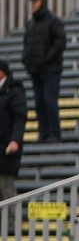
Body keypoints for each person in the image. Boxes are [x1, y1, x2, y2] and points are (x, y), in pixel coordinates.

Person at [21, 0, 66, 143]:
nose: (33, 4)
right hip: (36, 70)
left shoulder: (53, 21)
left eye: (36, 1)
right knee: (39, 102)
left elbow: (60, 43)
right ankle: (43, 133)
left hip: (51, 70)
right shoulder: (30, 24)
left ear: (43, 2)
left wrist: (46, 59)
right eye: (32, 1)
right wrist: (26, 59)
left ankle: (54, 133)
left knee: (49, 100)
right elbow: (27, 44)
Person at [0, 58, 27, 200]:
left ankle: (10, 222)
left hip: (5, 151)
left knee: (6, 192)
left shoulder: (15, 91)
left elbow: (19, 118)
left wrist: (15, 140)